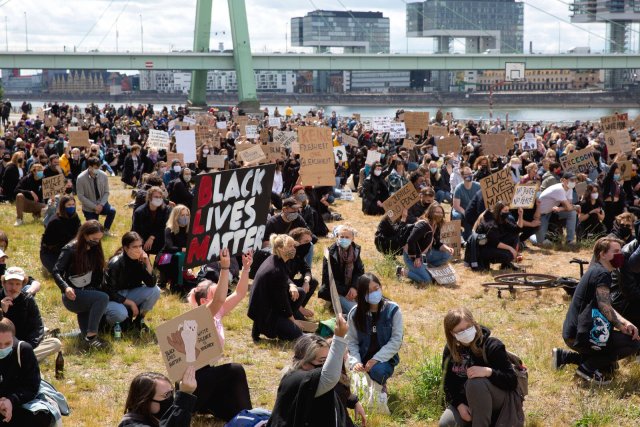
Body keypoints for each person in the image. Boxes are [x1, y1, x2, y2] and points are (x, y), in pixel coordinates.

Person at [555, 237, 640, 384]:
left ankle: (565, 357)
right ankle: (586, 370)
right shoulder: (602, 275)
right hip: (579, 334)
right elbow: (604, 306)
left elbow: (606, 305)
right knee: (633, 343)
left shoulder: (596, 269)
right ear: (603, 254)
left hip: (574, 331)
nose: (620, 255)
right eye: (616, 251)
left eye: (620, 250)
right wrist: (623, 327)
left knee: (610, 368)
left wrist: (625, 322)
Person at [185, 248, 253, 421]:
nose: (222, 296)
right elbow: (219, 300)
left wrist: (246, 269)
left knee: (232, 412)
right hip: (192, 382)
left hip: (207, 380)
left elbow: (239, 294)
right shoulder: (200, 316)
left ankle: (244, 418)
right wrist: (224, 268)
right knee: (235, 370)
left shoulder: (217, 313)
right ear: (203, 301)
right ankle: (251, 418)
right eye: (215, 293)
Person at [439, 307, 520, 427]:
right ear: (452, 333)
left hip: (498, 400)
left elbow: (512, 381)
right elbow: (448, 384)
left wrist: (489, 372)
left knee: (475, 383)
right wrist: (459, 405)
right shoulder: (451, 350)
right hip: (467, 402)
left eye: (468, 327)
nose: (465, 332)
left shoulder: (492, 345)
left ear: (474, 323)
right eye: (460, 331)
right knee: (446, 424)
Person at [267, 316, 350, 427]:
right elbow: (330, 377)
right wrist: (339, 338)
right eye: (322, 361)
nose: (327, 365)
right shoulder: (296, 379)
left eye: (328, 360)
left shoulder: (311, 380)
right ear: (304, 363)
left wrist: (354, 400)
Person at [346, 273, 403, 411]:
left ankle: (380, 386)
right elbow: (351, 341)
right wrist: (356, 362)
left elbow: (396, 340)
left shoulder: (393, 310)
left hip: (383, 361)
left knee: (377, 371)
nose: (374, 293)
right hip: (361, 358)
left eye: (376, 288)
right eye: (369, 291)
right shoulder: (354, 313)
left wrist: (376, 359)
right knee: (348, 370)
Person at [52, 220, 110, 349]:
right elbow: (56, 271)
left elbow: (98, 275)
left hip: (87, 292)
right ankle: (92, 336)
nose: (96, 242)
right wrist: (65, 287)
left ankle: (60, 336)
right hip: (72, 295)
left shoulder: (95, 249)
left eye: (99, 239)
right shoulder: (70, 249)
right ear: (84, 234)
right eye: (94, 238)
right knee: (102, 297)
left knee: (84, 337)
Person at [248, 234, 305, 342]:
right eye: (290, 246)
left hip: (268, 305)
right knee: (298, 335)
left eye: (294, 246)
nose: (294, 249)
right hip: (265, 313)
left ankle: (283, 324)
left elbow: (284, 277)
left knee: (299, 292)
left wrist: (291, 285)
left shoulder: (275, 259)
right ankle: (265, 327)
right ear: (280, 248)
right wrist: (293, 321)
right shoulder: (276, 270)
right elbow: (282, 302)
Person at [0, 266, 62, 362]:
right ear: (4, 283)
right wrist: (3, 312)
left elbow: (37, 327)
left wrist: (27, 348)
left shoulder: (27, 299)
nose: (13, 288)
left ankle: (21, 359)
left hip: (24, 344)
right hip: (3, 346)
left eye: (17, 284)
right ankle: (21, 361)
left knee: (55, 343)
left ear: (22, 285)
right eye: (10, 284)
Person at [0, 318, 54, 427]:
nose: (2, 348)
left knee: (41, 416)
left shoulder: (23, 350)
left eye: (7, 343)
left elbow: (32, 385)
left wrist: (11, 401)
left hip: (18, 401)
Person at [103, 232, 160, 331]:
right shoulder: (115, 263)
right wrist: (131, 303)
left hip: (130, 293)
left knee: (155, 290)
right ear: (126, 248)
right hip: (113, 298)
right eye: (135, 247)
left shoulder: (141, 260)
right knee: (121, 314)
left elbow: (151, 283)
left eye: (140, 246)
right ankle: (106, 325)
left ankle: (139, 320)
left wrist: (147, 263)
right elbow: (109, 291)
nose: (139, 249)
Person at [119, 367, 198, 427]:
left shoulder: (153, 419)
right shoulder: (130, 424)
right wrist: (184, 397)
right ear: (145, 401)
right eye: (166, 395)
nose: (171, 398)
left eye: (171, 392)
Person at [402, 203, 454, 284]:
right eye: (436, 212)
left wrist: (447, 248)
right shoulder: (422, 225)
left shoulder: (436, 225)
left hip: (425, 255)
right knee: (427, 281)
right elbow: (411, 241)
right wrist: (416, 257)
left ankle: (427, 268)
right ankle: (403, 271)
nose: (439, 214)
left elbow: (436, 243)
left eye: (441, 213)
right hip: (412, 255)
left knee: (448, 254)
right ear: (430, 212)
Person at [319, 225, 365, 315]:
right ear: (337, 237)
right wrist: (346, 291)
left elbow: (359, 271)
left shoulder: (355, 251)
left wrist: (354, 287)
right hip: (336, 289)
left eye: (347, 237)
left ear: (352, 239)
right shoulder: (330, 253)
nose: (344, 239)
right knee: (355, 311)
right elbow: (328, 279)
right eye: (342, 237)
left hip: (351, 287)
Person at [531, 171, 578, 247]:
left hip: (552, 212)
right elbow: (569, 207)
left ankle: (570, 240)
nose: (574, 182)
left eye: (575, 180)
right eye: (572, 180)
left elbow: (569, 207)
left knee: (572, 213)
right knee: (540, 243)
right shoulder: (559, 189)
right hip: (541, 215)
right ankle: (531, 235)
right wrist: (573, 207)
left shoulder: (570, 189)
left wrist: (560, 209)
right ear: (564, 180)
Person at [475, 201, 524, 270]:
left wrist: (520, 215)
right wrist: (511, 249)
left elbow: (517, 229)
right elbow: (495, 243)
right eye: (505, 210)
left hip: (492, 244)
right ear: (499, 211)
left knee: (514, 236)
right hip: (483, 249)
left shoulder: (501, 219)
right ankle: (486, 261)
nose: (507, 213)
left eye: (508, 210)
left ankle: (505, 265)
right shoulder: (491, 223)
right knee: (509, 255)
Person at [40, 195, 81, 273]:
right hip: (52, 252)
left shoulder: (75, 218)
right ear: (63, 206)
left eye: (73, 204)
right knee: (59, 271)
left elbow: (79, 233)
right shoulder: (55, 221)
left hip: (69, 249)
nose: (71, 207)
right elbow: (48, 243)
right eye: (69, 205)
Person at [76, 156, 117, 236]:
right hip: (89, 207)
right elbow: (81, 196)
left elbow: (106, 192)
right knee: (94, 229)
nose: (98, 169)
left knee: (112, 211)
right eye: (96, 167)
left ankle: (106, 230)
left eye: (99, 167)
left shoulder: (103, 175)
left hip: (102, 203)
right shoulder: (80, 178)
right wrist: (95, 207)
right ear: (89, 167)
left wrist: (101, 205)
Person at [156, 205, 190, 292]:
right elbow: (169, 247)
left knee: (179, 257)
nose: (185, 217)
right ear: (176, 216)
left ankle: (178, 284)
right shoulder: (169, 229)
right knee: (176, 258)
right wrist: (183, 249)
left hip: (180, 257)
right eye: (182, 215)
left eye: (187, 215)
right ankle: (165, 282)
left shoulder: (189, 230)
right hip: (164, 257)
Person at [132, 186, 171, 255]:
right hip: (144, 238)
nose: (158, 199)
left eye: (160, 197)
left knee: (168, 248)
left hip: (159, 237)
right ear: (149, 198)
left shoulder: (166, 210)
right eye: (156, 197)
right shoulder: (139, 212)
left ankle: (161, 264)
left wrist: (152, 237)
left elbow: (163, 226)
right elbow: (136, 230)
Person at [452, 167, 481, 241]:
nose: (470, 175)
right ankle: (456, 236)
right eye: (467, 174)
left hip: (473, 211)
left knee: (468, 237)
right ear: (462, 176)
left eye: (471, 173)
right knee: (456, 215)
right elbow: (456, 206)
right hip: (462, 210)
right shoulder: (458, 188)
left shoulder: (479, 186)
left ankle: (465, 235)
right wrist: (466, 212)